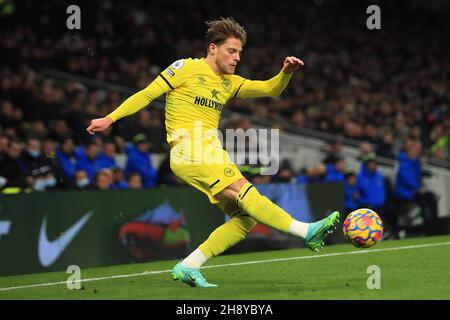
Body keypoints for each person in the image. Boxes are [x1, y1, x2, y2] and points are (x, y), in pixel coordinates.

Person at [87, 17, 339, 288]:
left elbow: (270, 89)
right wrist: (110, 119)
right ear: (212, 48)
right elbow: (146, 94)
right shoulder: (185, 68)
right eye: (232, 51)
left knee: (245, 219)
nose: (237, 58)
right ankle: (306, 230)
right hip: (190, 149)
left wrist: (285, 72)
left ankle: (189, 265)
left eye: (240, 52)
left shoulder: (229, 83)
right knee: (245, 190)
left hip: (206, 153)